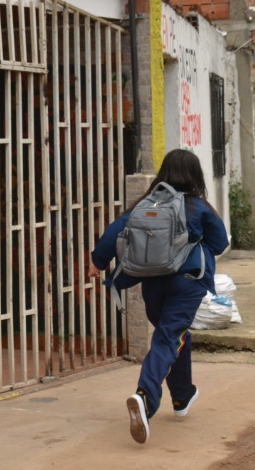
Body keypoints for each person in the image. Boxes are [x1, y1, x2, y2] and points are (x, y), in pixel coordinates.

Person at [90, 149, 231, 445]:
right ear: (196, 176)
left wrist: (98, 262)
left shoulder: (145, 204)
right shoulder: (198, 207)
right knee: (169, 338)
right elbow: (219, 243)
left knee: (175, 336)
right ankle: (145, 396)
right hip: (186, 283)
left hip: (151, 283)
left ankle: (181, 397)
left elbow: (114, 233)